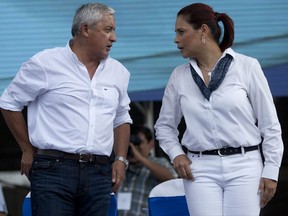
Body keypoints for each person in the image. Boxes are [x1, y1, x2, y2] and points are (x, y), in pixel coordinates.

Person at [0, 3, 132, 215]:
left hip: (99, 171)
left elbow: (121, 117)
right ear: (85, 29)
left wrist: (120, 159)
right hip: (53, 168)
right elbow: (9, 103)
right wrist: (26, 148)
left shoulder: (119, 72)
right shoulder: (45, 63)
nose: (114, 37)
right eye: (108, 30)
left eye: (113, 30)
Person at [154, 3, 284, 216]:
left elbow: (270, 124)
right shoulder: (179, 75)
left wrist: (271, 170)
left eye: (181, 32)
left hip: (245, 165)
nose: (175, 39)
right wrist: (176, 154)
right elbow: (164, 126)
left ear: (203, 30)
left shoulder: (247, 66)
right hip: (199, 169)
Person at [117, 126, 177, 216]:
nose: (134, 147)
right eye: (131, 143)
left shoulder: (159, 162)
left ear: (151, 144)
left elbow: (171, 178)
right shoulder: (120, 164)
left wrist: (140, 158)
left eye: (138, 142)